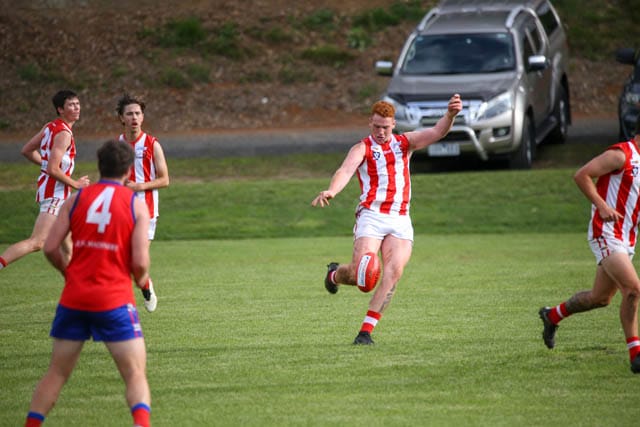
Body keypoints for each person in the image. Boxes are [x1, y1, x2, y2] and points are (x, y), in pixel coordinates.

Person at [311, 95, 463, 345]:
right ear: (370, 124)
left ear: (393, 125)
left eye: (385, 127)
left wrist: (450, 115)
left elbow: (437, 132)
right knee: (361, 275)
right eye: (376, 127)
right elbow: (345, 170)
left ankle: (365, 332)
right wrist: (332, 191)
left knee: (394, 272)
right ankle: (335, 275)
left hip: (400, 218)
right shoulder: (362, 148)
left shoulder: (405, 143)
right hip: (372, 216)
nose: (381, 132)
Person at [24, 140, 152, 427]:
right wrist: (142, 280)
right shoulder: (135, 204)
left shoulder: (75, 199)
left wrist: (68, 274)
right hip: (114, 299)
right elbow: (141, 263)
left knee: (56, 373)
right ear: (128, 170)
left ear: (99, 166)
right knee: (134, 374)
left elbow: (50, 247)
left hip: (75, 298)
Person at [539, 114, 640, 373]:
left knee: (600, 298)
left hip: (627, 238)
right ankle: (636, 355)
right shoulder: (621, 154)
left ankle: (552, 315)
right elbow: (582, 175)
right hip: (605, 232)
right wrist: (602, 206)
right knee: (633, 289)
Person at [0, 90, 90, 271]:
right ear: (60, 109)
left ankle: (76, 284)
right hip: (55, 193)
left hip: (54, 192)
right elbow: (52, 169)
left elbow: (27, 150)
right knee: (37, 242)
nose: (76, 107)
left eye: (77, 104)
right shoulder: (64, 134)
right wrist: (76, 184)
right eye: (71, 105)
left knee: (68, 245)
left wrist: (47, 163)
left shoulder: (50, 126)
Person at [116, 93, 170, 312]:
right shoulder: (117, 146)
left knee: (136, 261)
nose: (134, 117)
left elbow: (165, 180)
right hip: (121, 210)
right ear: (122, 118)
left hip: (146, 211)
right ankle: (119, 302)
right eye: (129, 114)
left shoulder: (152, 144)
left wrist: (140, 186)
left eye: (138, 113)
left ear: (143, 117)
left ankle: (146, 286)